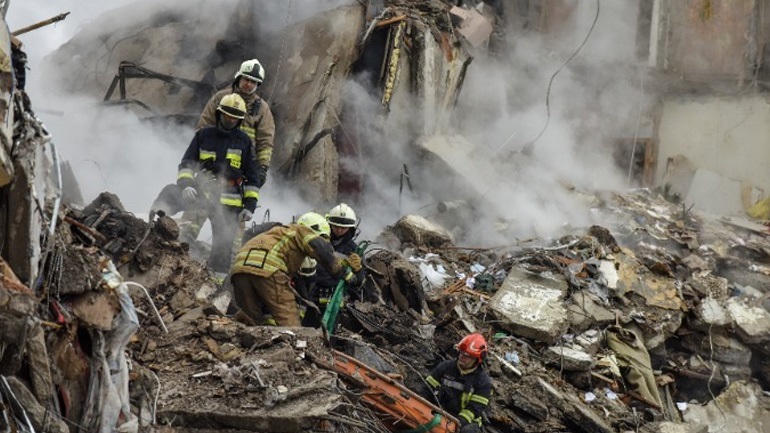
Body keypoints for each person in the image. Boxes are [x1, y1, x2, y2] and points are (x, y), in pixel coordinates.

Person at [155, 93, 259, 282]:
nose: (231, 119)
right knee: (170, 193)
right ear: (220, 114)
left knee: (223, 246)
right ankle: (153, 233)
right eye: (228, 114)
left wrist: (250, 205)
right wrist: (186, 185)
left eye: (236, 117)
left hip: (229, 200)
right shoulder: (204, 135)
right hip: (201, 192)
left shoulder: (244, 142)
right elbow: (187, 163)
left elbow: (253, 176)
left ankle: (215, 283)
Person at [181, 59, 276, 243]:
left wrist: (262, 169)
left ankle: (224, 267)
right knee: (190, 222)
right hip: (210, 170)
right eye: (246, 79)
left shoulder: (262, 110)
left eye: (254, 82)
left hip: (238, 174)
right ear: (238, 78)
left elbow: (265, 142)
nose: (249, 84)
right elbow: (203, 129)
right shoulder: (220, 99)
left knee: (231, 234)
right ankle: (180, 255)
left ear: (258, 84)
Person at [230, 212, 363, 327]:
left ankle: (255, 349)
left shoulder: (278, 233)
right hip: (269, 268)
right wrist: (344, 273)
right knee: (289, 321)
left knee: (252, 319)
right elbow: (322, 250)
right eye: (323, 238)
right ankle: (294, 352)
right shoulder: (303, 231)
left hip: (240, 268)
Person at [301, 203, 365, 328]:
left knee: (328, 339)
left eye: (343, 228)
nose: (339, 230)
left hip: (334, 303)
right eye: (336, 226)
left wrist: (359, 270)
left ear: (351, 229)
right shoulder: (319, 239)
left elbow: (358, 283)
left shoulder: (353, 249)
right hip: (309, 297)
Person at [424, 333, 492, 433]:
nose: (462, 356)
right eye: (461, 352)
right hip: (440, 411)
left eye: (467, 355)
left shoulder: (483, 382)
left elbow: (474, 410)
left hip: (465, 420)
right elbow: (426, 389)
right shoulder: (445, 367)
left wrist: (454, 424)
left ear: (477, 359)